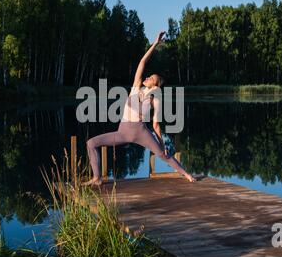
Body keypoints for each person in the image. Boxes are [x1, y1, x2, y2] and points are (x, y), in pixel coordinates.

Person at [83, 31, 197, 186]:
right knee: (91, 143)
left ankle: (187, 174)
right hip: (122, 132)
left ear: (155, 86)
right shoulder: (136, 87)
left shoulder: (155, 99)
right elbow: (142, 62)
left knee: (163, 155)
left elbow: (156, 125)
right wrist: (155, 44)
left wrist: (162, 144)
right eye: (149, 75)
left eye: (152, 78)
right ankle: (97, 178)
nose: (148, 77)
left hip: (141, 132)